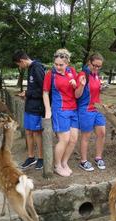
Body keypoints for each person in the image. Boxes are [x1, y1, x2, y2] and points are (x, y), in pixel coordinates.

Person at [43, 48, 78, 177]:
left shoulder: (72, 71)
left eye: (61, 65)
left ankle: (64, 162)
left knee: (73, 139)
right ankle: (57, 165)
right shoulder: (50, 74)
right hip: (60, 110)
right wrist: (48, 110)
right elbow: (45, 93)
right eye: (56, 64)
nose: (58, 67)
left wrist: (76, 84)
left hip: (73, 109)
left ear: (67, 63)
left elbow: (78, 89)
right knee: (64, 139)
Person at [12, 50, 45, 170]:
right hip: (29, 106)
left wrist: (27, 93)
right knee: (28, 132)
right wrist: (27, 94)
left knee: (37, 133)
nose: (20, 67)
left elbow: (43, 90)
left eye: (18, 65)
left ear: (21, 61)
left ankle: (41, 158)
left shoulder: (37, 68)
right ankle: (31, 157)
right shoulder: (30, 68)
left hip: (37, 107)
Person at [75, 53, 106, 171]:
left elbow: (94, 91)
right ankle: (83, 161)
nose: (97, 68)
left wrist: (101, 88)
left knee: (102, 133)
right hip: (86, 109)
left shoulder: (96, 75)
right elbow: (77, 95)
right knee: (86, 136)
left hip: (97, 108)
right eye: (95, 66)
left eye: (99, 66)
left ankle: (98, 157)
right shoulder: (83, 75)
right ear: (89, 62)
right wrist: (82, 85)